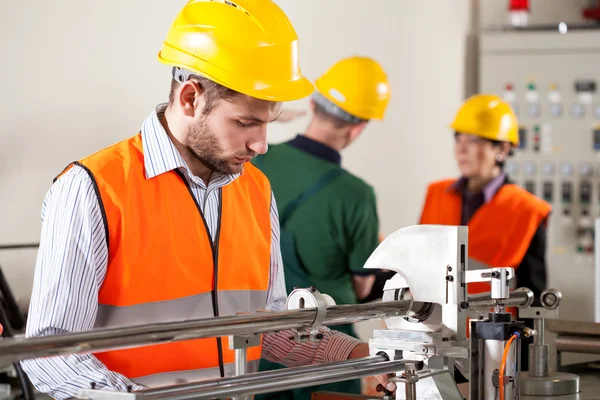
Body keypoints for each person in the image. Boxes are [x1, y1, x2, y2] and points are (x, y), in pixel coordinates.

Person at [20, 1, 396, 399]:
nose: (261, 144)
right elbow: (50, 351)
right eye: (245, 122)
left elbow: (265, 326)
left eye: (267, 123)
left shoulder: (255, 189)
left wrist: (358, 351)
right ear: (189, 98)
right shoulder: (91, 189)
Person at [252, 56, 391, 398]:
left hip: (261, 344)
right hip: (330, 348)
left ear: (313, 103)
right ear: (358, 127)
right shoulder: (357, 195)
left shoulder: (256, 162)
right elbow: (362, 287)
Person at [418, 93, 551, 371]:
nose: (462, 150)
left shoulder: (526, 209)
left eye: (474, 140)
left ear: (501, 149)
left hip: (493, 347)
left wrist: (520, 367)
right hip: (433, 342)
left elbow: (531, 297)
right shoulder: (436, 194)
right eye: (458, 138)